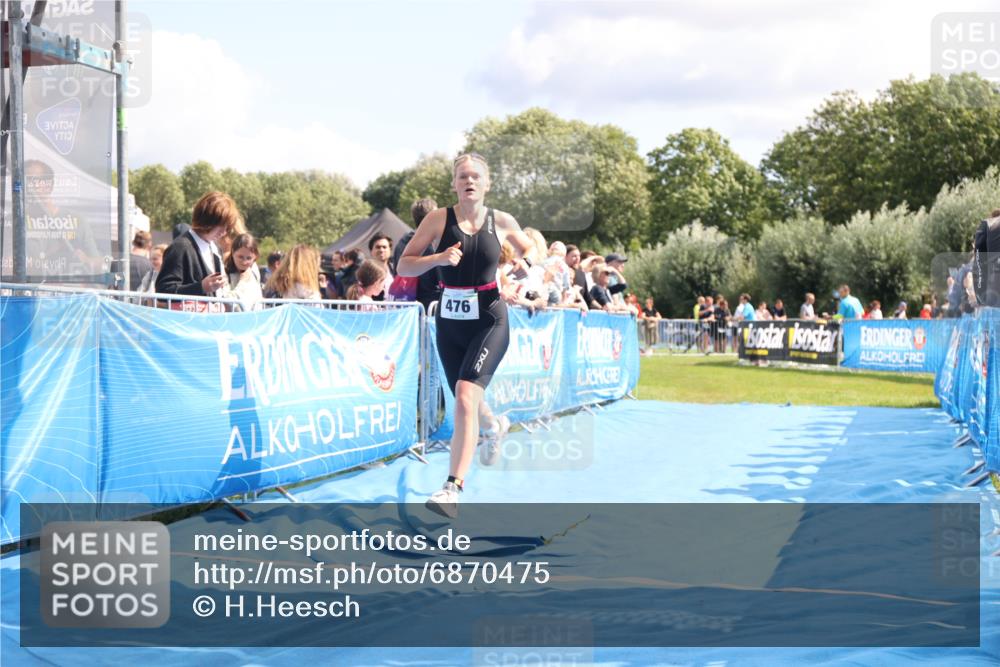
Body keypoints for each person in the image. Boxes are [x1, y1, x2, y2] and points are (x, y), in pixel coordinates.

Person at [396, 152, 536, 517]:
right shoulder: (437, 219)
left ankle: (451, 489)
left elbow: (530, 249)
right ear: (454, 184)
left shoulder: (501, 220)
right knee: (467, 400)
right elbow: (404, 264)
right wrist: (438, 259)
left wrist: (520, 272)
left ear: (487, 184)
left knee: (463, 395)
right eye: (462, 176)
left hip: (490, 318)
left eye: (475, 176)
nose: (469, 181)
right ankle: (495, 424)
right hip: (450, 320)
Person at [157, 192, 240, 296]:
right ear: (208, 219)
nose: (224, 232)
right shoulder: (180, 247)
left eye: (227, 228)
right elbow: (163, 291)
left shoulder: (215, 248)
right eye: (221, 226)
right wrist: (201, 287)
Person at [391, 198, 443, 311]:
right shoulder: (432, 243)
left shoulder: (401, 242)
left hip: (406, 305)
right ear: (432, 217)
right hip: (430, 305)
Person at [221, 233, 264, 311]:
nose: (244, 262)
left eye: (249, 258)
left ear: (255, 257)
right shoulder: (225, 273)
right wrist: (243, 281)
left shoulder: (254, 270)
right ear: (233, 252)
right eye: (240, 257)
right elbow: (227, 302)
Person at [368, 233, 394, 300]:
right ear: (371, 251)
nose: (381, 250)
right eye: (378, 247)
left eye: (384, 247)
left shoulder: (396, 269)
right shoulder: (365, 271)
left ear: (390, 251)